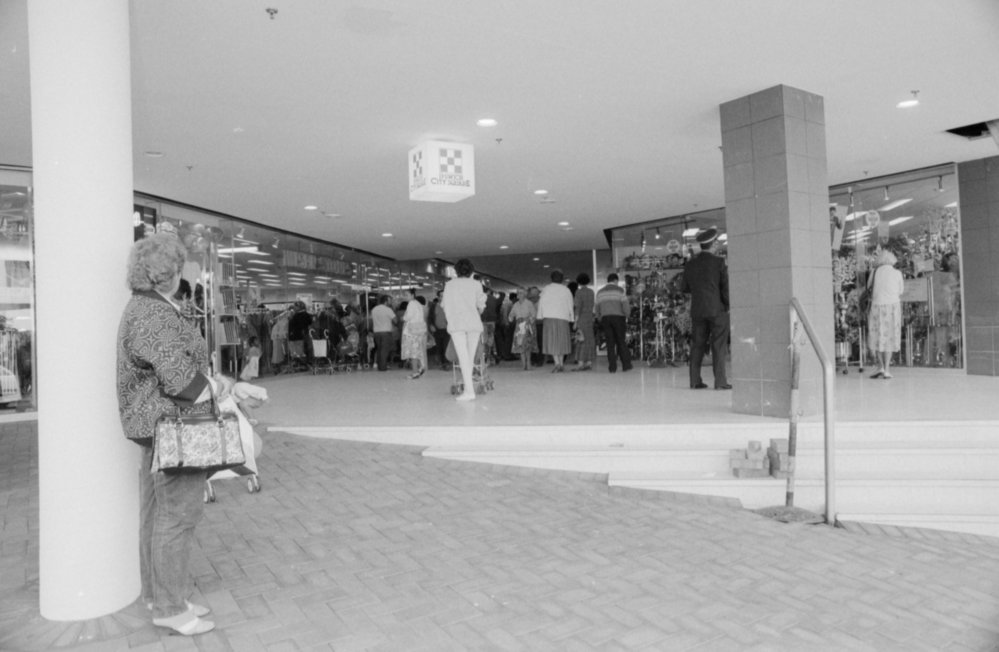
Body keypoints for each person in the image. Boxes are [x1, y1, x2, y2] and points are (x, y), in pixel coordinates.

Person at [117, 233, 234, 636]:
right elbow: (180, 379)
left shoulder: (144, 307)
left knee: (156, 516)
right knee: (178, 517)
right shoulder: (155, 312)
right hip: (172, 429)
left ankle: (162, 596)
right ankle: (169, 606)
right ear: (169, 273)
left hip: (156, 429)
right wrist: (223, 387)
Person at [681, 227, 731, 389]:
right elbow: (725, 288)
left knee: (697, 345)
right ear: (713, 244)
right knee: (719, 346)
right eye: (716, 242)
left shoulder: (690, 264)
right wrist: (728, 305)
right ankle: (720, 382)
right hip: (717, 310)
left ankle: (695, 381)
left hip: (698, 310)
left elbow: (684, 288)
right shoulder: (719, 262)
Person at [442, 258, 486, 401]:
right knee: (470, 357)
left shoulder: (449, 285)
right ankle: (469, 390)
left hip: (456, 324)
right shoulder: (476, 284)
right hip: (473, 323)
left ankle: (469, 391)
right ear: (471, 271)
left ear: (456, 271)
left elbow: (445, 305)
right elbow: (481, 305)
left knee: (463, 357)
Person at [867, 249, 905, 379]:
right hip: (892, 307)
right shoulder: (897, 273)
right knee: (889, 337)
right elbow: (901, 291)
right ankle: (887, 369)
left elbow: (868, 287)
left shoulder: (874, 272)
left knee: (877, 336)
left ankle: (880, 366)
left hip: (877, 306)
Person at [536, 269, 574, 373]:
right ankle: (561, 363)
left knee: (552, 341)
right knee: (562, 341)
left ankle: (557, 363)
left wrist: (539, 316)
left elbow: (541, 303)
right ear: (562, 279)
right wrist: (571, 318)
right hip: (563, 318)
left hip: (549, 318)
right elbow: (570, 304)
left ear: (551, 278)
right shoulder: (566, 290)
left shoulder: (546, 289)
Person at [595, 273, 632, 373]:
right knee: (621, 341)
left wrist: (599, 317)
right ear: (616, 280)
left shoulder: (600, 292)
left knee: (610, 343)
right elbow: (625, 305)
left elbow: (597, 307)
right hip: (618, 318)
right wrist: (627, 315)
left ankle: (612, 367)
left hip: (605, 319)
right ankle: (626, 365)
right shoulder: (620, 290)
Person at [571, 272, 596, 371]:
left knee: (581, 340)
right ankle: (589, 362)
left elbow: (578, 308)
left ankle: (580, 363)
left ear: (579, 282)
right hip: (589, 318)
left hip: (582, 319)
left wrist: (575, 322)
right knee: (589, 340)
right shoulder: (591, 292)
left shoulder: (578, 292)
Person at [402, 288, 429, 379]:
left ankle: (415, 372)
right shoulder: (418, 304)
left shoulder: (411, 303)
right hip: (419, 331)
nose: (405, 297)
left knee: (413, 352)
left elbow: (408, 316)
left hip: (412, 332)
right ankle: (421, 367)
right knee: (418, 351)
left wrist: (403, 318)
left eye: (406, 295)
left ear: (412, 295)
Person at [509, 288, 538, 370]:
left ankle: (528, 363)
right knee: (520, 345)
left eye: (521, 293)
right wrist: (510, 318)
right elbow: (511, 314)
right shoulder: (516, 304)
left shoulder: (529, 303)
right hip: (519, 327)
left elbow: (534, 314)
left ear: (525, 294)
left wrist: (529, 321)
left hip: (527, 325)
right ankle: (523, 364)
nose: (519, 294)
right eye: (518, 293)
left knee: (527, 345)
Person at [370, 294, 396, 371]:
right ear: (386, 301)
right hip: (386, 332)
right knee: (385, 350)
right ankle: (383, 367)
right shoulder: (388, 310)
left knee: (379, 349)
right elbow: (395, 320)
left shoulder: (374, 309)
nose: (391, 302)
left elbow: (371, 321)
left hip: (376, 332)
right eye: (390, 300)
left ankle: (380, 366)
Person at [429, 291, 451, 370]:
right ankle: (442, 363)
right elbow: (430, 317)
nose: (443, 298)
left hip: (447, 329)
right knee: (439, 347)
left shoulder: (449, 305)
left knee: (446, 346)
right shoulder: (434, 306)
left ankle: (446, 363)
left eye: (444, 296)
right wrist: (431, 325)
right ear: (438, 297)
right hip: (437, 330)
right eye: (441, 296)